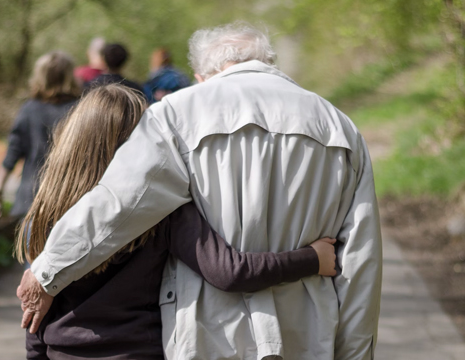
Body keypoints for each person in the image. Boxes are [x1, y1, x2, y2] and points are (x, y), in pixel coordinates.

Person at [19, 23, 383, 360]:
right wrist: (355, 353)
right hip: (308, 332)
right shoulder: (340, 127)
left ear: (201, 76)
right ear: (268, 63)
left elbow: (120, 202)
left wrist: (48, 271)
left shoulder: (174, 115)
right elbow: (361, 261)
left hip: (209, 334)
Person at [0, 51, 80, 219]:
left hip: (31, 198)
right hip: (71, 200)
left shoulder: (29, 110)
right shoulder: (81, 110)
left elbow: (12, 154)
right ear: (69, 76)